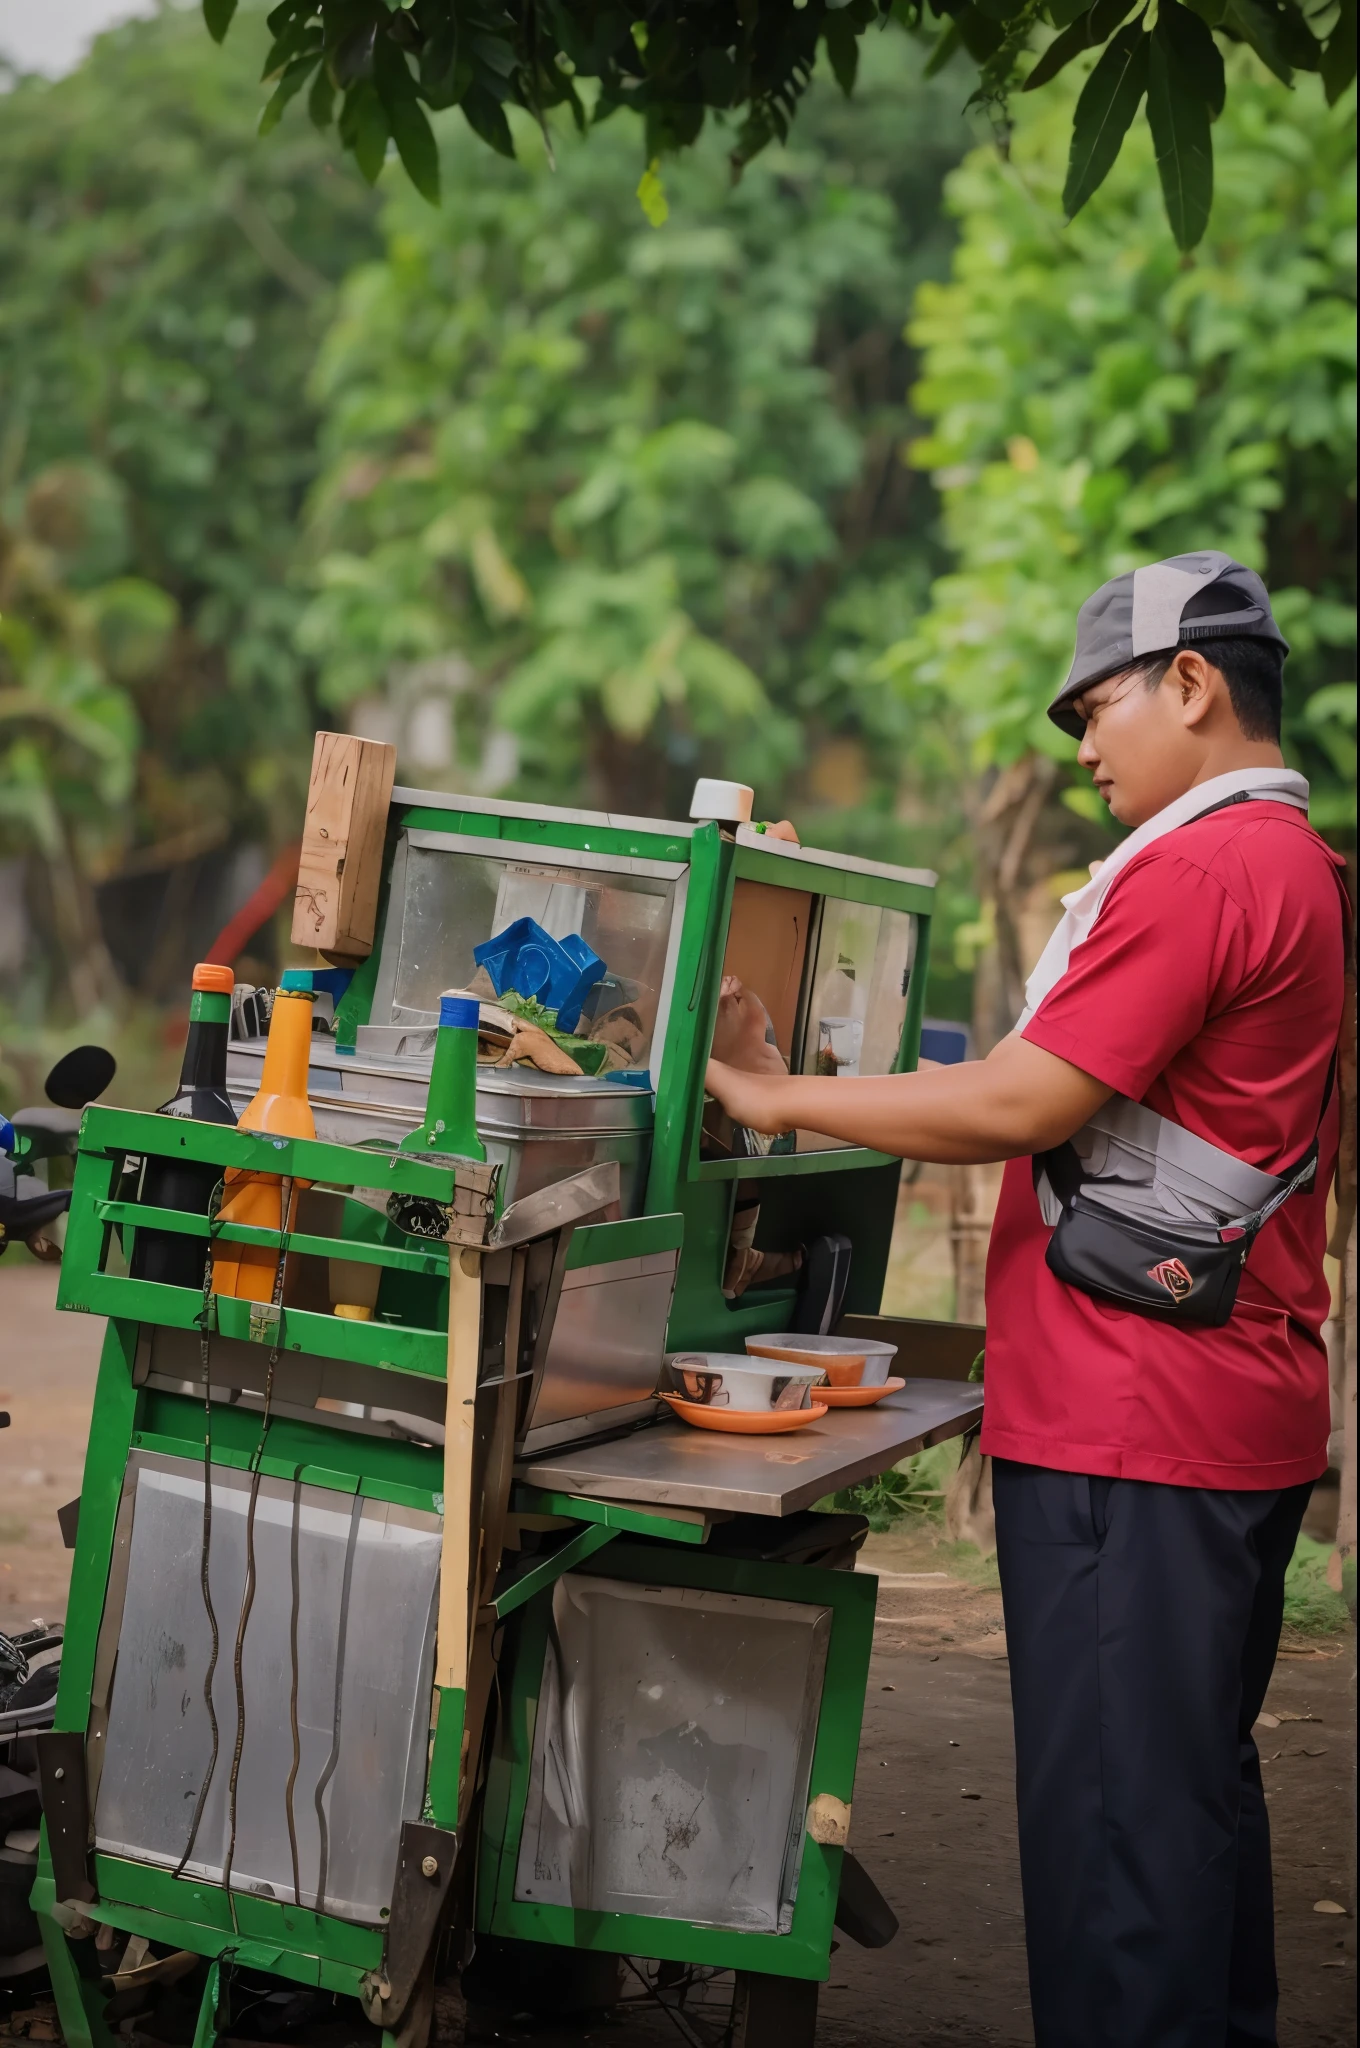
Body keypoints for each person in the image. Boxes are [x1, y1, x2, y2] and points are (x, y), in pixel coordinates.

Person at [704, 551, 1351, 2048]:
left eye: (1096, 706)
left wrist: (771, 1092)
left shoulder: (1199, 870)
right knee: (1188, 1801)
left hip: (1140, 1424)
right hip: (1226, 1409)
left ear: (1192, 685)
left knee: (1122, 1832)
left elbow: (1018, 1100)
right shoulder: (1296, 865)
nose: (1080, 747)